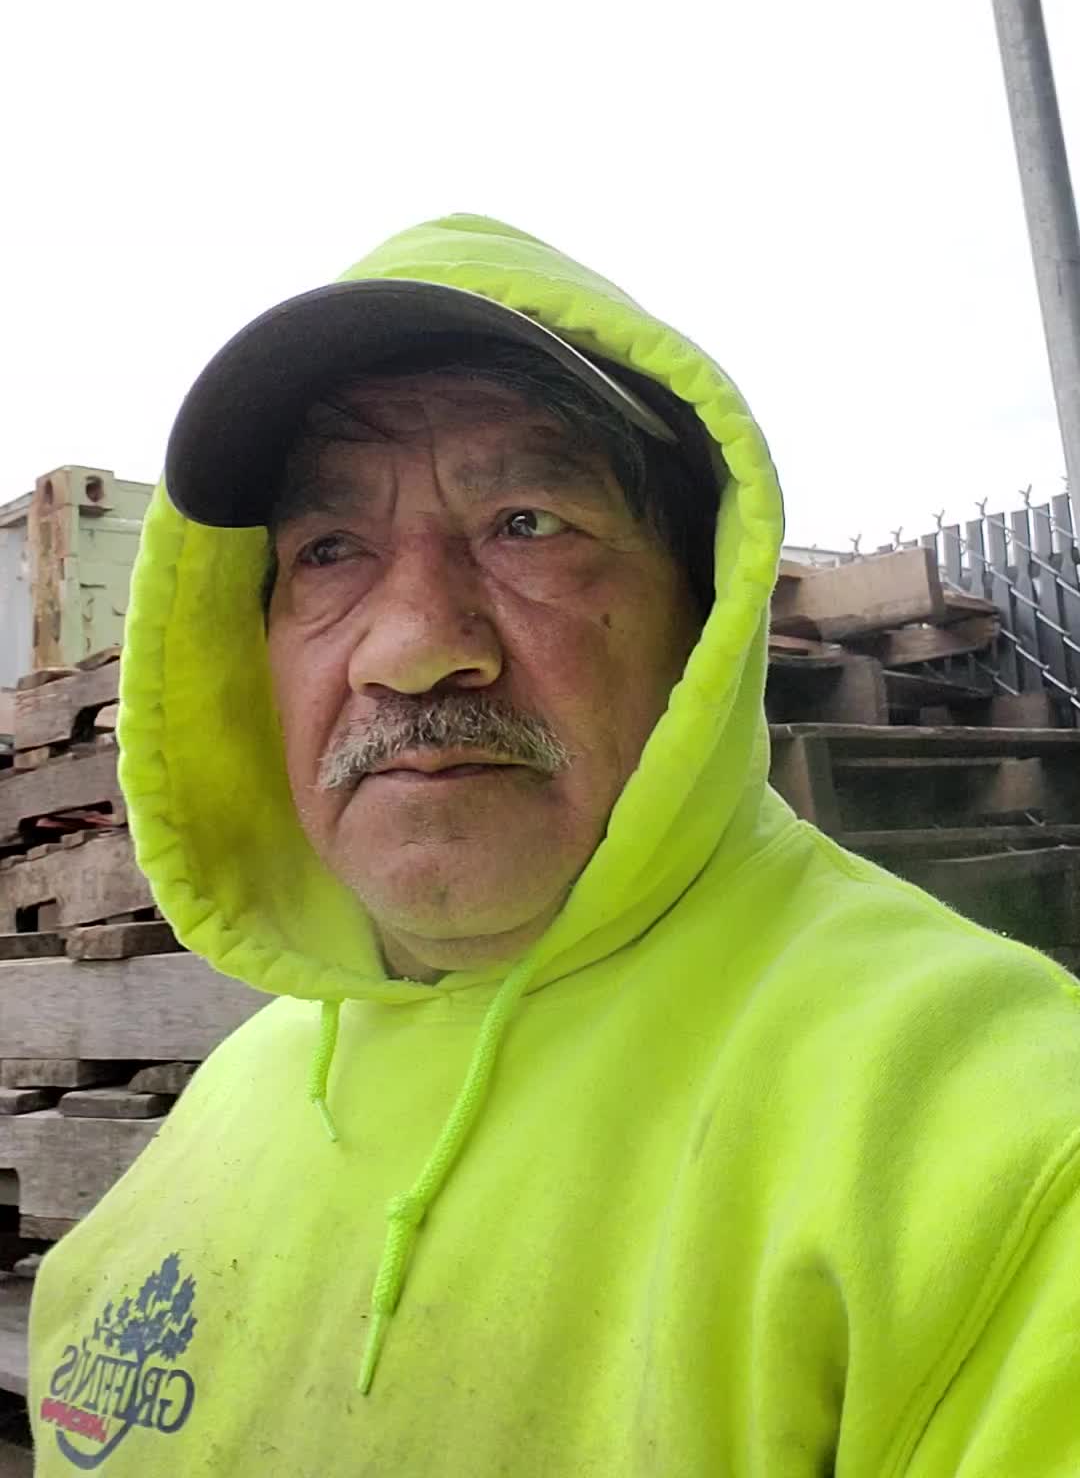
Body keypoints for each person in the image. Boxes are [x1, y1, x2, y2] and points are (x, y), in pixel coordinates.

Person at [28, 213, 1080, 1475]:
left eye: (526, 521)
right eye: (331, 550)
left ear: (704, 614)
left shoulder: (1000, 1150)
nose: (414, 646)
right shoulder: (220, 1117)